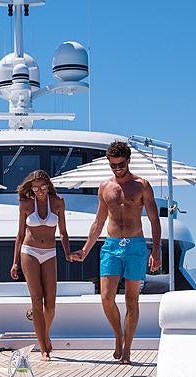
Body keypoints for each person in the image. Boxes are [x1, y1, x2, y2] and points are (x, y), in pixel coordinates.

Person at [71, 141, 161, 364]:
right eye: (113, 165)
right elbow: (98, 222)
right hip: (111, 246)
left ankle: (127, 348)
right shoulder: (105, 188)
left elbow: (154, 219)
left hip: (136, 246)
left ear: (128, 160)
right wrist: (85, 250)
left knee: (132, 299)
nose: (117, 169)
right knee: (106, 297)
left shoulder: (142, 185)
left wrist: (156, 251)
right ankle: (118, 334)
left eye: (121, 164)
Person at [11, 170, 72, 361]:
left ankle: (45, 336)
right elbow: (20, 234)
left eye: (43, 187)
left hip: (50, 253)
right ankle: (43, 347)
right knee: (37, 301)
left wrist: (68, 252)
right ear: (31, 187)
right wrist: (14, 263)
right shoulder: (26, 204)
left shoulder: (58, 202)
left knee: (51, 305)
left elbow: (63, 232)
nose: (39, 191)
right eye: (35, 188)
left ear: (48, 185)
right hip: (29, 252)